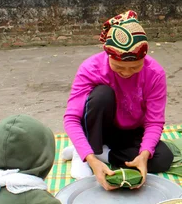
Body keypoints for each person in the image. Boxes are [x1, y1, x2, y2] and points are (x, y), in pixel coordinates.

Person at [63, 10, 173, 190]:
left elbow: (154, 121)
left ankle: (101, 154)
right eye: (119, 67)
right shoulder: (91, 68)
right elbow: (72, 118)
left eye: (135, 67)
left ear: (144, 58)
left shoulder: (155, 74)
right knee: (102, 95)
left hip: (129, 131)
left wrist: (144, 155)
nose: (127, 73)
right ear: (108, 55)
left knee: (162, 159)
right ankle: (85, 151)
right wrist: (89, 159)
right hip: (98, 129)